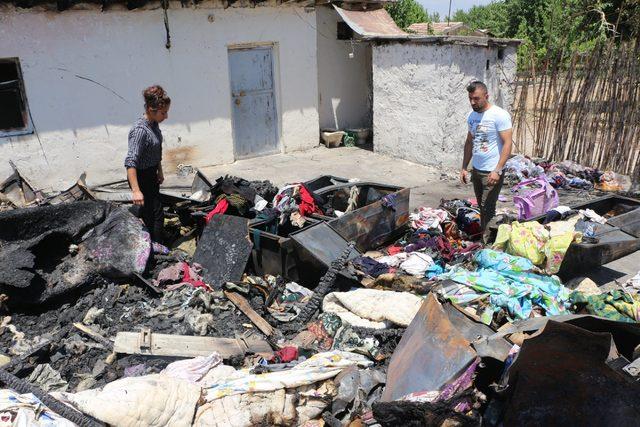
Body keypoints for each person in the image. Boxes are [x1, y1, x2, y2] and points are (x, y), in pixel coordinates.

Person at [460, 81, 513, 240]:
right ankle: (487, 236)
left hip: (492, 171)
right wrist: (464, 167)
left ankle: (488, 244)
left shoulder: (499, 115)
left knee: (487, 207)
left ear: (486, 96)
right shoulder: (472, 116)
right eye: (470, 99)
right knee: (482, 207)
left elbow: (507, 143)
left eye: (476, 98)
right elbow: (469, 142)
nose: (472, 102)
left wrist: (498, 170)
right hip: (477, 169)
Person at [124, 85, 171, 243]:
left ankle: (155, 244)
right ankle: (156, 250)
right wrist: (136, 191)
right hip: (141, 177)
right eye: (163, 113)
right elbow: (131, 162)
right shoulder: (139, 131)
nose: (166, 116)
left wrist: (159, 171)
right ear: (151, 110)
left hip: (151, 174)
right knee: (153, 215)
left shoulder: (154, 125)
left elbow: (156, 151)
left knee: (155, 213)